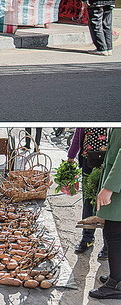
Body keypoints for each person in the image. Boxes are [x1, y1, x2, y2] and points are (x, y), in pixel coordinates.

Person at [89, 128, 121, 300]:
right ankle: (117, 276)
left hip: (119, 185)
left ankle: (116, 283)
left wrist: (109, 187)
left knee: (114, 232)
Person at [68, 127, 109, 257]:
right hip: (88, 161)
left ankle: (108, 244)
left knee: (108, 203)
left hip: (108, 163)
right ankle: (87, 239)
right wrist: (71, 155)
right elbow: (78, 133)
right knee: (88, 201)